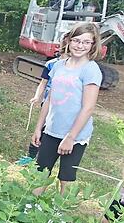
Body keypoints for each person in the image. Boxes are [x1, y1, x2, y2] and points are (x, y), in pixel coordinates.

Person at [31, 23, 102, 195]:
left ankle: (59, 215)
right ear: (69, 41)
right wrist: (39, 128)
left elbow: (88, 107)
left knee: (66, 177)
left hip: (75, 134)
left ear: (93, 45)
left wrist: (70, 137)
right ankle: (30, 209)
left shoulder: (91, 69)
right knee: (41, 172)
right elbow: (49, 99)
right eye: (76, 40)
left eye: (86, 42)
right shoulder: (59, 66)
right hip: (52, 130)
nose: (80, 45)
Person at [17, 34, 70, 165]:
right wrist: (37, 96)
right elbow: (43, 83)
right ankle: (31, 156)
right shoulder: (51, 64)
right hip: (48, 103)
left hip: (64, 106)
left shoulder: (75, 67)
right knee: (41, 129)